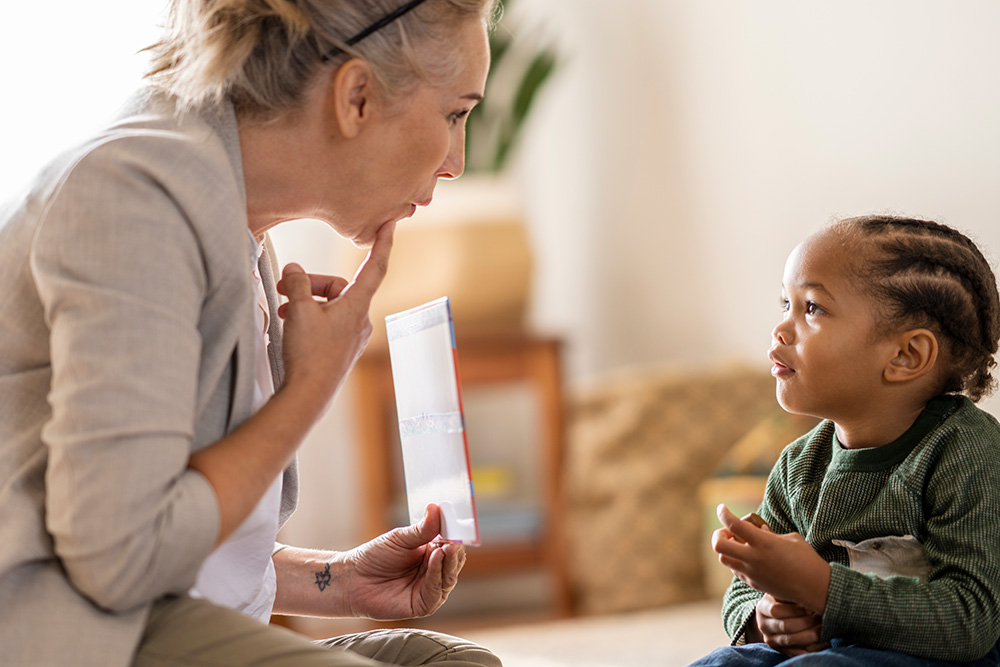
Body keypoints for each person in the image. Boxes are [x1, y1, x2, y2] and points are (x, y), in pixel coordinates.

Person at [0, 1, 503, 666]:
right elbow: (117, 560)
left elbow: (180, 536)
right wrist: (309, 391)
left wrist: (341, 579)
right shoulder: (132, 199)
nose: (456, 161)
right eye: (454, 114)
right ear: (356, 97)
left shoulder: (236, 220)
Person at [688, 216, 1000, 666]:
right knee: (722, 662)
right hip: (830, 649)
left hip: (946, 658)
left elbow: (971, 621)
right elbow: (742, 593)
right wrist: (766, 615)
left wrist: (821, 589)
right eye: (785, 305)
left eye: (812, 308)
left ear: (905, 355)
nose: (781, 329)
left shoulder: (966, 451)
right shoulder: (799, 464)